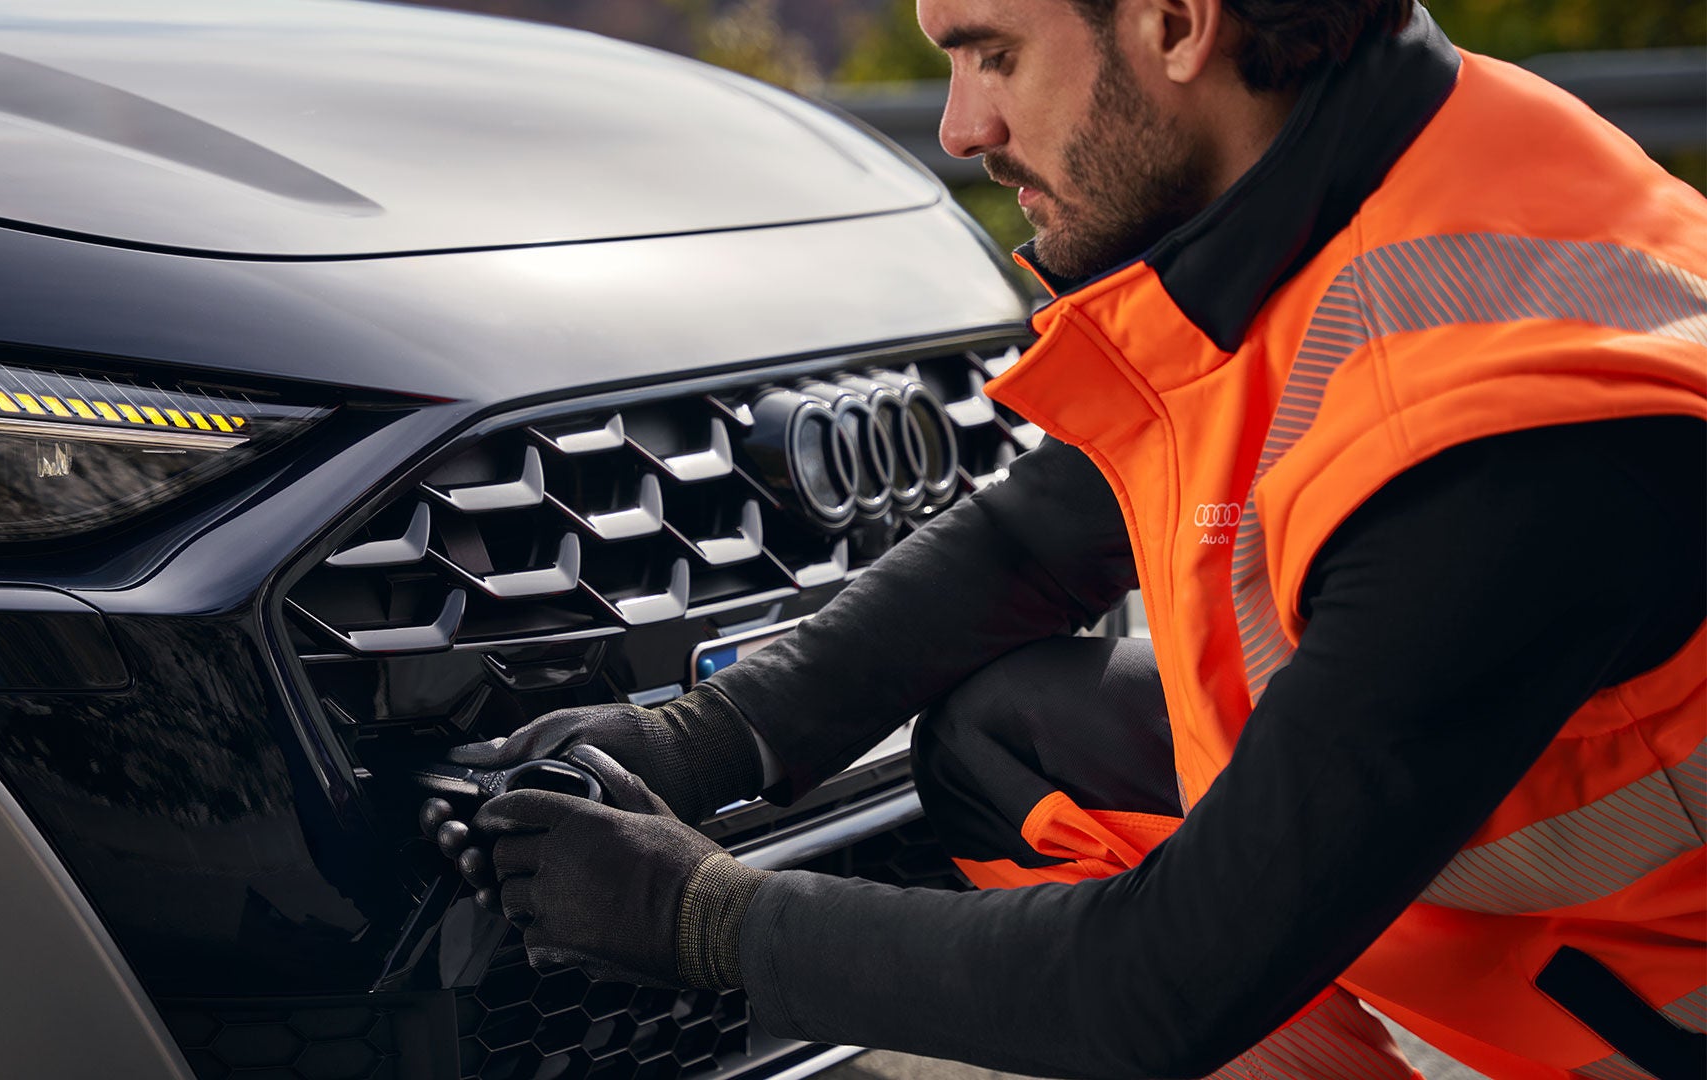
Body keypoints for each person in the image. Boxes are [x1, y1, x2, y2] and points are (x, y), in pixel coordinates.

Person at [426, 1, 1707, 1076]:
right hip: (1531, 905)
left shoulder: (1495, 448)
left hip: (1656, 1018)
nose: (960, 128)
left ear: (1176, 24)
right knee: (1004, 734)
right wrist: (699, 739)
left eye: (995, 56)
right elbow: (1034, 538)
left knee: (1182, 972)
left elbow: (1157, 980)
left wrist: (695, 915)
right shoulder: (1388, 161)